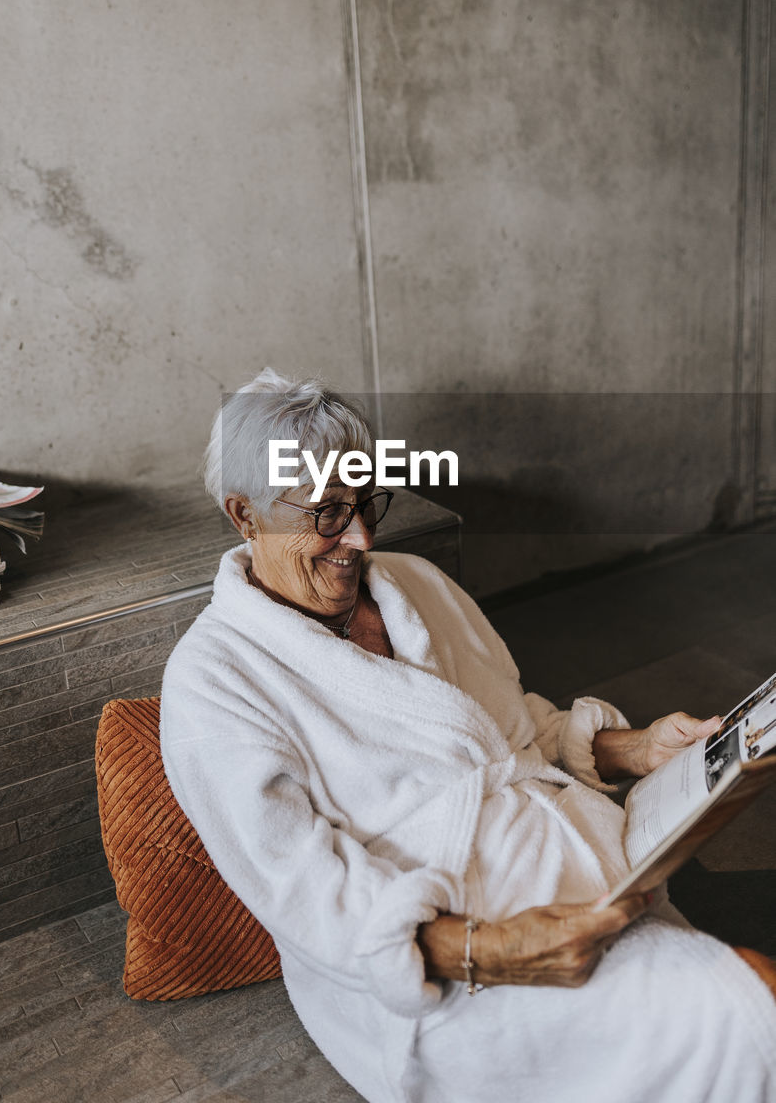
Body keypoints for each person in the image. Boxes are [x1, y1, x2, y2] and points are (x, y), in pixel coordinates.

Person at [160, 370, 776, 1103]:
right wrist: (490, 951)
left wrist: (637, 751)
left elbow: (516, 730)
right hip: (440, 966)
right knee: (752, 1010)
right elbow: (302, 896)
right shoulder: (213, 682)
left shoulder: (414, 583)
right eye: (326, 514)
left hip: (592, 884)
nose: (358, 540)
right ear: (244, 515)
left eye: (366, 505)